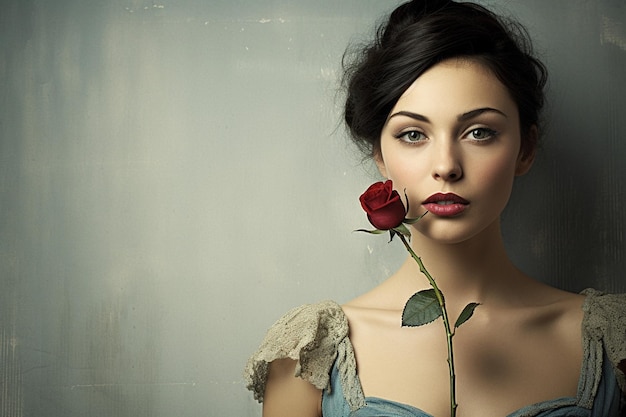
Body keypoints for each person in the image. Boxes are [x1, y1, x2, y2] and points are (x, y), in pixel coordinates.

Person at [244, 1, 626, 416]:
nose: (446, 165)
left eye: (479, 132)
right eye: (412, 134)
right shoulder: (310, 355)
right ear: (379, 154)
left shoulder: (613, 339)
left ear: (525, 149)